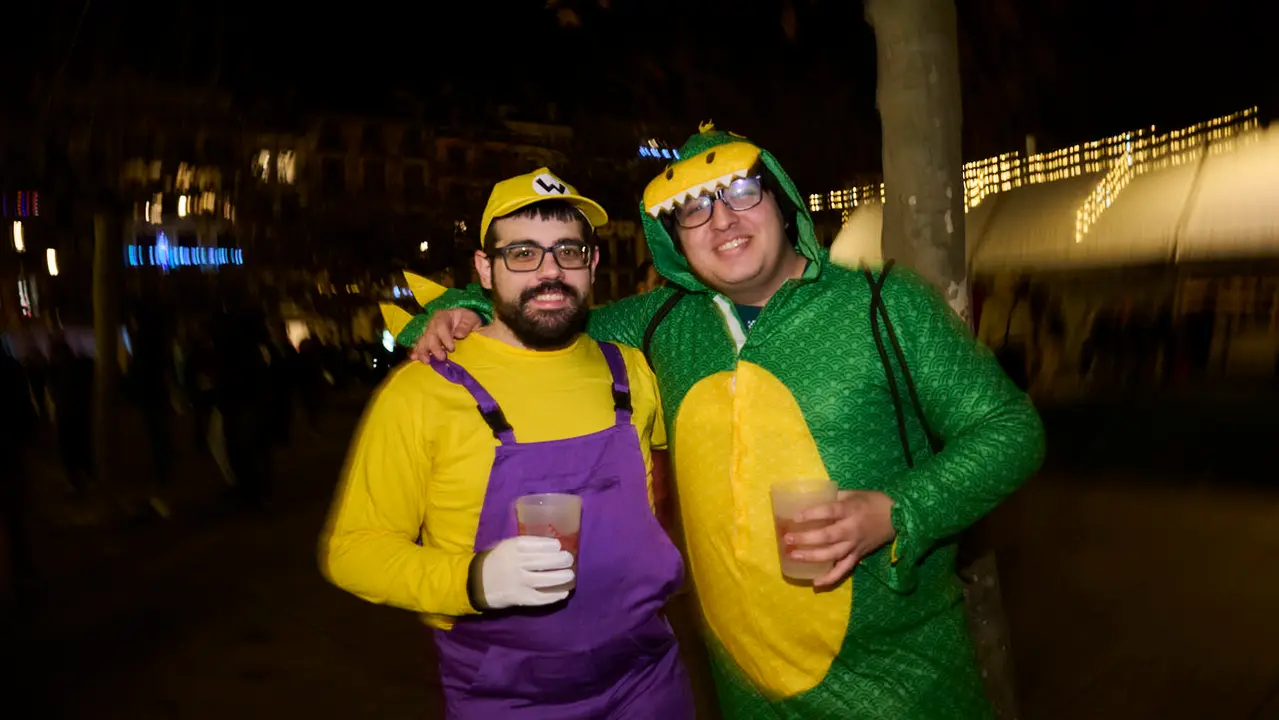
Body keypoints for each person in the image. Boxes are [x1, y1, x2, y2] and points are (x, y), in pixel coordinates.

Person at [403, 125, 1046, 718]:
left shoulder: (885, 305)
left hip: (905, 686)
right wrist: (460, 308)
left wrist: (895, 511)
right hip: (746, 691)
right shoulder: (657, 326)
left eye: (741, 190)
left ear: (781, 199)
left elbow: (1012, 430)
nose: (723, 219)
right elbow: (544, 315)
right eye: (693, 207)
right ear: (674, 237)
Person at [320, 168, 693, 719]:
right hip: (507, 696)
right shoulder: (424, 389)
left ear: (592, 263)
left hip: (647, 679)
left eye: (568, 251)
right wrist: (471, 580)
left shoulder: (631, 370)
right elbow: (352, 551)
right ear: (485, 269)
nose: (549, 273)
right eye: (522, 253)